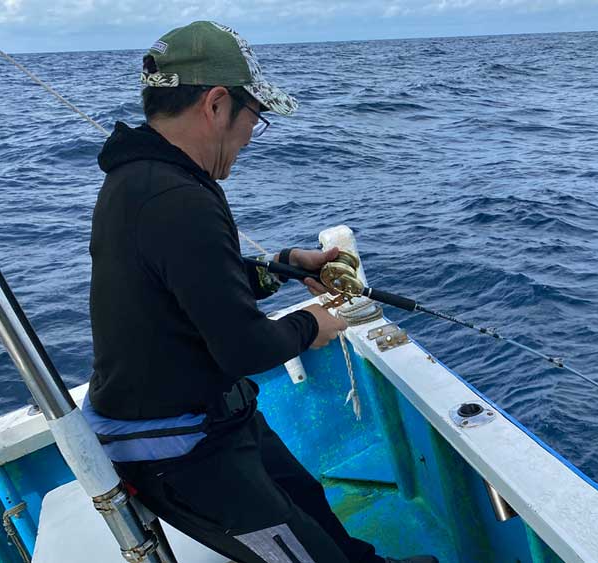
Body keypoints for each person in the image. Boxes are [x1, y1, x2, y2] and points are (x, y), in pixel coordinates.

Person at [84, 20, 437, 563]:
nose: (251, 134)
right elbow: (245, 348)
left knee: (309, 503)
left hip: (215, 416)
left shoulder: (146, 179)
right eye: (255, 116)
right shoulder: (175, 199)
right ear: (217, 104)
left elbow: (194, 289)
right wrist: (314, 323)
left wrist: (283, 267)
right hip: (179, 450)